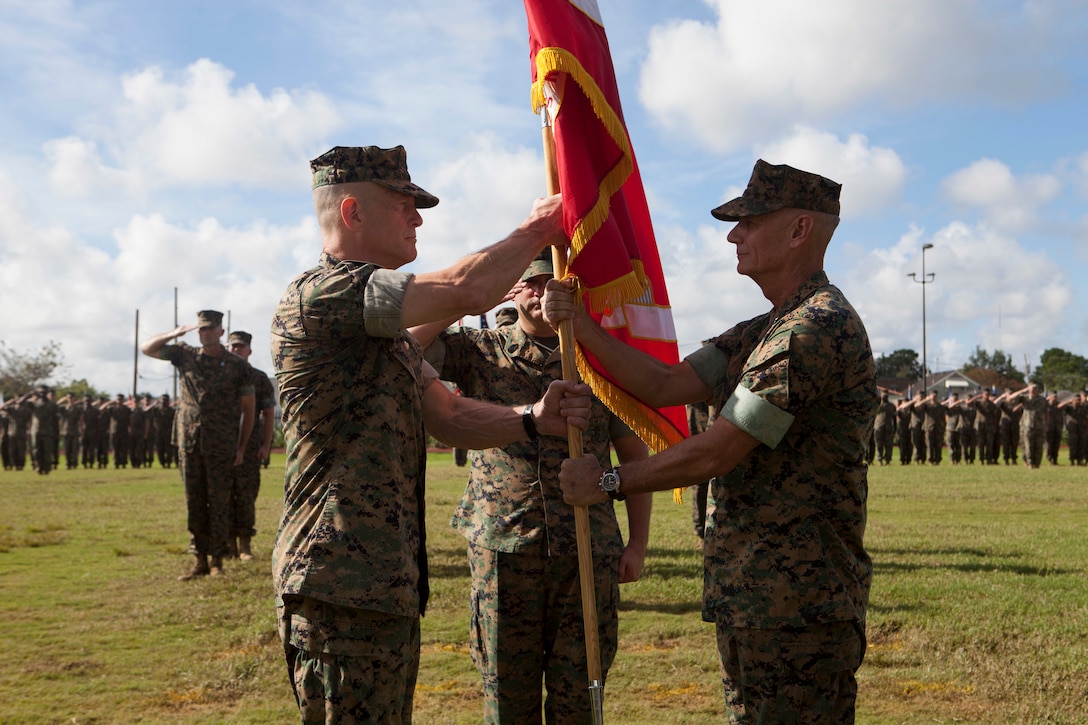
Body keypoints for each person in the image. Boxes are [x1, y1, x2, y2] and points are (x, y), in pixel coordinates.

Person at [270, 144, 591, 723]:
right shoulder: (323, 294)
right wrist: (536, 228)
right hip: (335, 581)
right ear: (352, 212)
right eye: (404, 204)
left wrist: (530, 420)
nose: (418, 218)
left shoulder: (382, 331)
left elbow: (447, 414)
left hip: (381, 580)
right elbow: (471, 290)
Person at [545, 160, 875, 722]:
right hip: (757, 593)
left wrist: (607, 481)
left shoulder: (814, 328)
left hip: (799, 605)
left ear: (798, 230)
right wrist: (580, 325)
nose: (732, 234)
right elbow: (665, 382)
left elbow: (720, 449)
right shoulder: (763, 328)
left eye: (749, 221)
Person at [410, 251, 652, 724]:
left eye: (555, 283)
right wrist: (465, 299)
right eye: (533, 284)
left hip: (586, 547)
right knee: (506, 693)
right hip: (504, 548)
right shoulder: (480, 349)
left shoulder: (598, 357)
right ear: (514, 292)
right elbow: (406, 346)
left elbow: (633, 455)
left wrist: (638, 542)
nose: (543, 292)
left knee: (581, 691)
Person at [141, 309, 256, 580]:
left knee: (218, 502)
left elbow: (248, 410)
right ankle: (199, 560)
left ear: (221, 332)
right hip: (189, 442)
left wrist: (241, 448)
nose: (205, 333)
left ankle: (217, 560)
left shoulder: (238, 367)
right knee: (194, 502)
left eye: (210, 329)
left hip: (221, 445)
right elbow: (147, 348)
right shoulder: (185, 355)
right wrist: (174, 333)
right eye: (201, 329)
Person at [225, 330, 276, 561]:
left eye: (240, 347)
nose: (236, 350)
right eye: (233, 346)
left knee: (246, 496)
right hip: (222, 446)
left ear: (249, 351)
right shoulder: (219, 375)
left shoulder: (259, 378)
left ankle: (244, 544)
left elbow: (268, 414)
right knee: (222, 496)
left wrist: (266, 445)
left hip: (250, 447)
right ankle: (228, 545)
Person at [873, 393, 896, 465]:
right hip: (879, 427)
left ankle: (888, 460)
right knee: (879, 444)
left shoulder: (891, 406)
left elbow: (894, 418)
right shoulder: (877, 405)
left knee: (888, 445)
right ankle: (879, 460)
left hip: (888, 427)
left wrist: (895, 428)